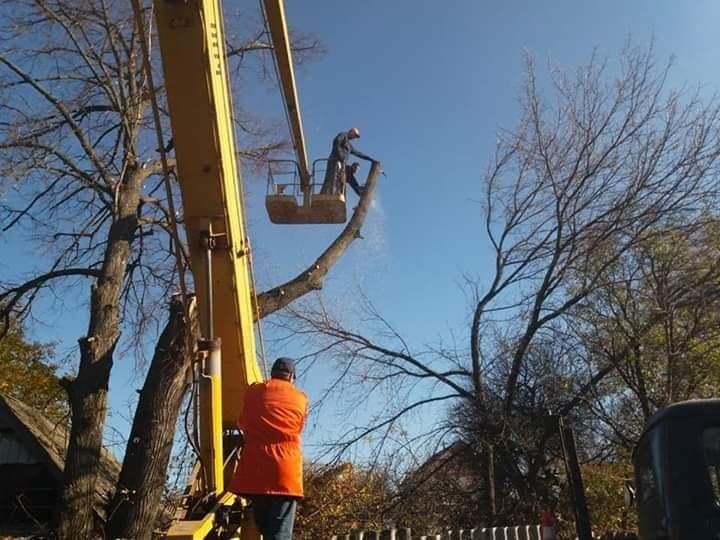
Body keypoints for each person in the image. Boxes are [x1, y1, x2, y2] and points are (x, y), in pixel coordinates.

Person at [229, 357, 308, 540]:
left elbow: (242, 423)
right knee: (279, 534)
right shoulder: (301, 398)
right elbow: (298, 428)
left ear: (272, 373)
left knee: (264, 529)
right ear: (291, 377)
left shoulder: (253, 391)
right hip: (285, 474)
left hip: (256, 474)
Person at [320, 127, 376, 194]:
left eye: (356, 137)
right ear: (351, 131)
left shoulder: (349, 146)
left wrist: (370, 159)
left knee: (348, 174)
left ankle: (359, 191)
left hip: (342, 165)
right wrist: (340, 156)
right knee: (331, 180)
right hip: (334, 162)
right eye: (355, 135)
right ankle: (326, 192)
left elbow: (358, 153)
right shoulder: (343, 135)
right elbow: (336, 142)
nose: (354, 138)